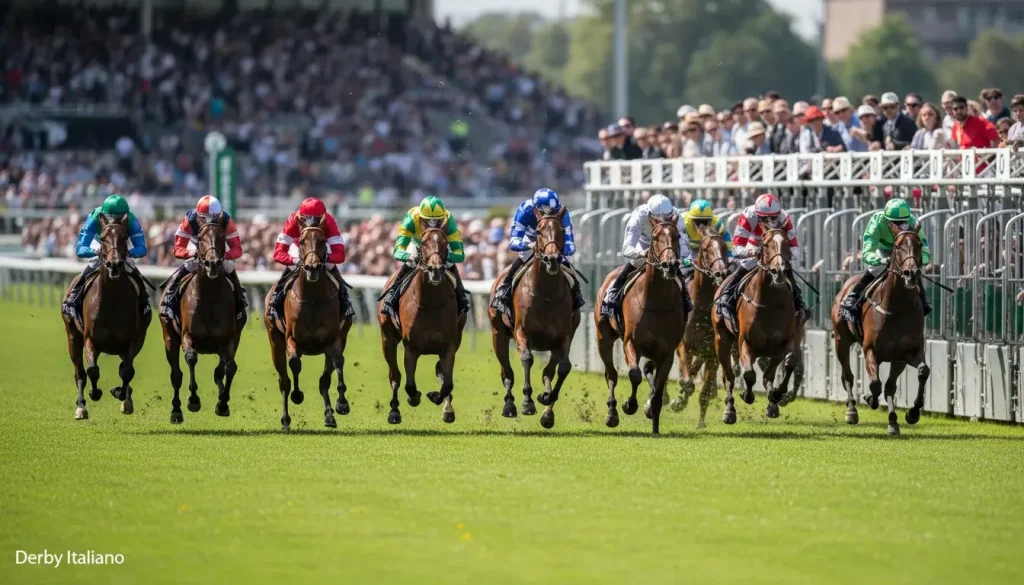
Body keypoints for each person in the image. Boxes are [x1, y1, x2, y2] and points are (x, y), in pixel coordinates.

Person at [714, 193, 808, 332]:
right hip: (754, 244)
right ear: (758, 215)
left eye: (773, 218)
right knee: (748, 263)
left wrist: (781, 257)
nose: (770, 221)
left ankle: (799, 303)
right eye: (765, 218)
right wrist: (753, 252)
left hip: (775, 248)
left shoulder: (784, 217)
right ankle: (727, 297)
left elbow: (795, 249)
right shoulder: (748, 216)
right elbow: (736, 249)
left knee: (784, 267)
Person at [490, 188, 583, 317]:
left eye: (554, 212)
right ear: (537, 209)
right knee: (522, 258)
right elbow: (513, 242)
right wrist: (528, 245)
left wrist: (561, 250)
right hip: (531, 240)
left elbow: (570, 243)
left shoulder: (561, 211)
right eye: (546, 212)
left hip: (552, 243)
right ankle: (503, 292)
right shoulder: (525, 209)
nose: (551, 215)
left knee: (569, 270)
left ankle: (576, 298)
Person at [837, 198, 932, 324]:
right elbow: (867, 251)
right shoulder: (877, 221)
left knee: (911, 269)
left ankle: (923, 299)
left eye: (903, 222)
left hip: (904, 251)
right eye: (895, 223)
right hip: (884, 250)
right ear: (887, 221)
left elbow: (924, 246)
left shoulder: (913, 223)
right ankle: (852, 297)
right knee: (875, 268)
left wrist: (921, 261)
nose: (900, 226)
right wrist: (880, 260)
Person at [61, 194, 150, 327]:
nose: (114, 222)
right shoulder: (94, 217)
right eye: (110, 218)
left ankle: (144, 303)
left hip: (122, 242)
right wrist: (95, 251)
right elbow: (80, 248)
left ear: (125, 216)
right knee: (93, 263)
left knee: (131, 266)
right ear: (103, 216)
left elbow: (142, 248)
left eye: (119, 218)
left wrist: (128, 253)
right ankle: (73, 300)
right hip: (100, 242)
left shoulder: (131, 220)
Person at [599, 193, 693, 319]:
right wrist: (641, 253)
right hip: (644, 245)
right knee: (635, 262)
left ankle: (685, 297)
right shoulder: (639, 215)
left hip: (667, 245)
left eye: (667, 220)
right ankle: (613, 293)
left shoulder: (676, 215)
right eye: (659, 221)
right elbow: (626, 248)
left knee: (676, 266)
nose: (663, 224)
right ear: (650, 217)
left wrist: (676, 257)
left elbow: (684, 246)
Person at [379, 195, 470, 321]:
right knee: (410, 263)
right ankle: (391, 296)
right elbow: (397, 250)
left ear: (443, 218)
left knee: (449, 263)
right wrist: (408, 256)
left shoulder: (449, 220)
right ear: (420, 218)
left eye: (437, 221)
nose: (432, 225)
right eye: (427, 221)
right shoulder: (411, 217)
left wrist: (447, 256)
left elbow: (460, 254)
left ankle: (461, 296)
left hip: (439, 245)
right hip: (418, 245)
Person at [159, 195, 248, 322]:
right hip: (195, 246)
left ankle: (240, 301)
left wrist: (225, 256)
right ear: (199, 216)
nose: (210, 222)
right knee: (189, 265)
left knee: (228, 266)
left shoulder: (226, 220)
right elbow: (178, 248)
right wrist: (191, 253)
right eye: (206, 219)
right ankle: (169, 300)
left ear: (219, 215)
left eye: (214, 219)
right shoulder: (189, 220)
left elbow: (237, 248)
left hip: (218, 249)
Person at [266, 197, 354, 322]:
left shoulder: (329, 221)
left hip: (321, 249)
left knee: (330, 266)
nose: (312, 222)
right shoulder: (293, 220)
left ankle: (345, 301)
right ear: (301, 218)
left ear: (322, 217)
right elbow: (278, 253)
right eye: (307, 219)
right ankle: (275, 300)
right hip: (299, 248)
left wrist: (326, 257)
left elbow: (340, 254)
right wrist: (294, 260)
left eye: (317, 219)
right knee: (291, 267)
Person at [681, 199, 733, 281]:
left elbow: (727, 240)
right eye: (698, 221)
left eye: (705, 221)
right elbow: (677, 244)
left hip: (709, 250)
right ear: (691, 220)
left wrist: (730, 256)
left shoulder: (717, 223)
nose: (702, 225)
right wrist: (685, 260)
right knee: (683, 269)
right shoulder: (682, 222)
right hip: (689, 250)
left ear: (710, 220)